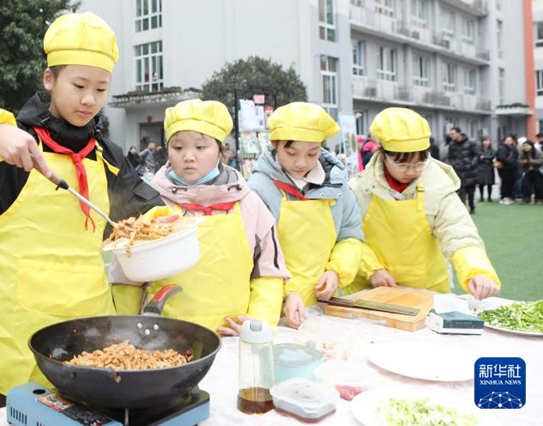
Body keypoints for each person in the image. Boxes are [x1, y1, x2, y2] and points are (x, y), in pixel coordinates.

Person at [0, 12, 162, 410]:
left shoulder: (107, 157)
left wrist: (169, 224)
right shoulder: (6, 149)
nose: (89, 99)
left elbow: (148, 213)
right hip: (14, 340)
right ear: (49, 79)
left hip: (89, 340)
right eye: (78, 85)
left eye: (100, 88)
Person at [109, 99, 293, 332]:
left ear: (220, 149)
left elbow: (268, 272)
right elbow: (126, 278)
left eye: (200, 147)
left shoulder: (248, 203)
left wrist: (258, 322)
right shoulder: (150, 203)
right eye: (177, 147)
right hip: (161, 336)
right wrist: (129, 331)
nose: (188, 156)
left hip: (233, 335)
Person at [346, 108, 500, 300]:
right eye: (402, 164)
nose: (411, 171)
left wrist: (476, 270)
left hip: (427, 290)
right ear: (383, 154)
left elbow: (458, 232)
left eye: (419, 163)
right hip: (371, 289)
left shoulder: (438, 186)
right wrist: (371, 268)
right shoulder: (360, 188)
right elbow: (347, 236)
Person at [248, 102, 364, 327]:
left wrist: (337, 271)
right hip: (272, 308)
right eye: (291, 153)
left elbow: (350, 235)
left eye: (312, 153)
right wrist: (285, 293)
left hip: (326, 306)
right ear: (274, 145)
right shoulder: (259, 189)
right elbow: (256, 257)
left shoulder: (337, 185)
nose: (301, 163)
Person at [445, 126, 480, 214]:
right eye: (451, 134)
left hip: (470, 172)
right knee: (461, 192)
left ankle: (472, 207)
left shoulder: (471, 143)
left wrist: (472, 164)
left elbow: (477, 155)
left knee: (471, 192)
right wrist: (453, 164)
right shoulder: (452, 145)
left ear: (459, 133)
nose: (451, 135)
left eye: (453, 134)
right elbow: (449, 157)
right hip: (459, 172)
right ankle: (462, 209)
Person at [494, 134, 519, 204]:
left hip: (511, 169)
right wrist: (510, 162)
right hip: (505, 169)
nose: (509, 142)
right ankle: (504, 197)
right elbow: (501, 157)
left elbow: (516, 155)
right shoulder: (502, 148)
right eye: (508, 140)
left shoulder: (512, 148)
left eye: (510, 140)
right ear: (504, 141)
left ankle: (508, 196)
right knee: (505, 183)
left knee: (510, 183)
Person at [518, 139, 543, 204]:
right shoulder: (522, 153)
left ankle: (539, 199)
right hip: (527, 171)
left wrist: (531, 161)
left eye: (527, 146)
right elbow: (519, 161)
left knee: (538, 186)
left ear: (531, 146)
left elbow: (540, 161)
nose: (525, 147)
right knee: (525, 185)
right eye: (524, 146)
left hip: (537, 171)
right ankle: (526, 199)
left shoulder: (538, 152)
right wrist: (525, 162)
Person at [476, 136, 496, 203]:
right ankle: (481, 197)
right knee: (481, 183)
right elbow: (478, 157)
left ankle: (489, 197)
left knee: (489, 183)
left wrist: (484, 157)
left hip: (489, 167)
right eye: (485, 141)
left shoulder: (492, 150)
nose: (486, 142)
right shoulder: (479, 149)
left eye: (488, 141)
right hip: (481, 168)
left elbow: (492, 157)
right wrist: (485, 158)